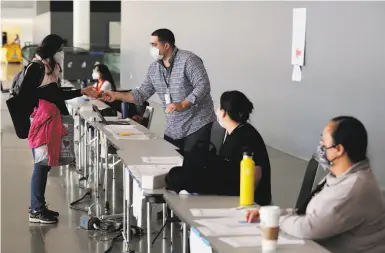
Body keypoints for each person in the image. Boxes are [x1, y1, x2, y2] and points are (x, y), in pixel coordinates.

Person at [246, 116, 385, 253]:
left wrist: (274, 218)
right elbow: (308, 215)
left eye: (323, 142)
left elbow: (308, 227)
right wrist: (271, 212)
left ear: (339, 150)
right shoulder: (339, 177)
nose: (320, 146)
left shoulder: (354, 188)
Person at [19, 34, 97, 224]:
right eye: (60, 49)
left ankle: (39, 206)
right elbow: (28, 95)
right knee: (40, 165)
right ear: (52, 50)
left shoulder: (48, 68)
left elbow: (55, 93)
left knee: (44, 165)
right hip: (41, 122)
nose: (62, 54)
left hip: (48, 121)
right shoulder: (37, 67)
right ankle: (36, 210)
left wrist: (80, 91)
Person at [102, 28, 216, 155]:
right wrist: (115, 95)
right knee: (172, 164)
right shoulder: (154, 68)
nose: (151, 48)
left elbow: (203, 85)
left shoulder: (188, 60)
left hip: (197, 122)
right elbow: (141, 94)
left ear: (166, 45)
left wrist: (184, 104)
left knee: (192, 166)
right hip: (174, 126)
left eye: (154, 44)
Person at [166, 91, 272, 206]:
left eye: (219, 108)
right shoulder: (238, 132)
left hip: (251, 202)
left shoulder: (246, 137)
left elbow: (254, 178)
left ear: (224, 113)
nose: (217, 111)